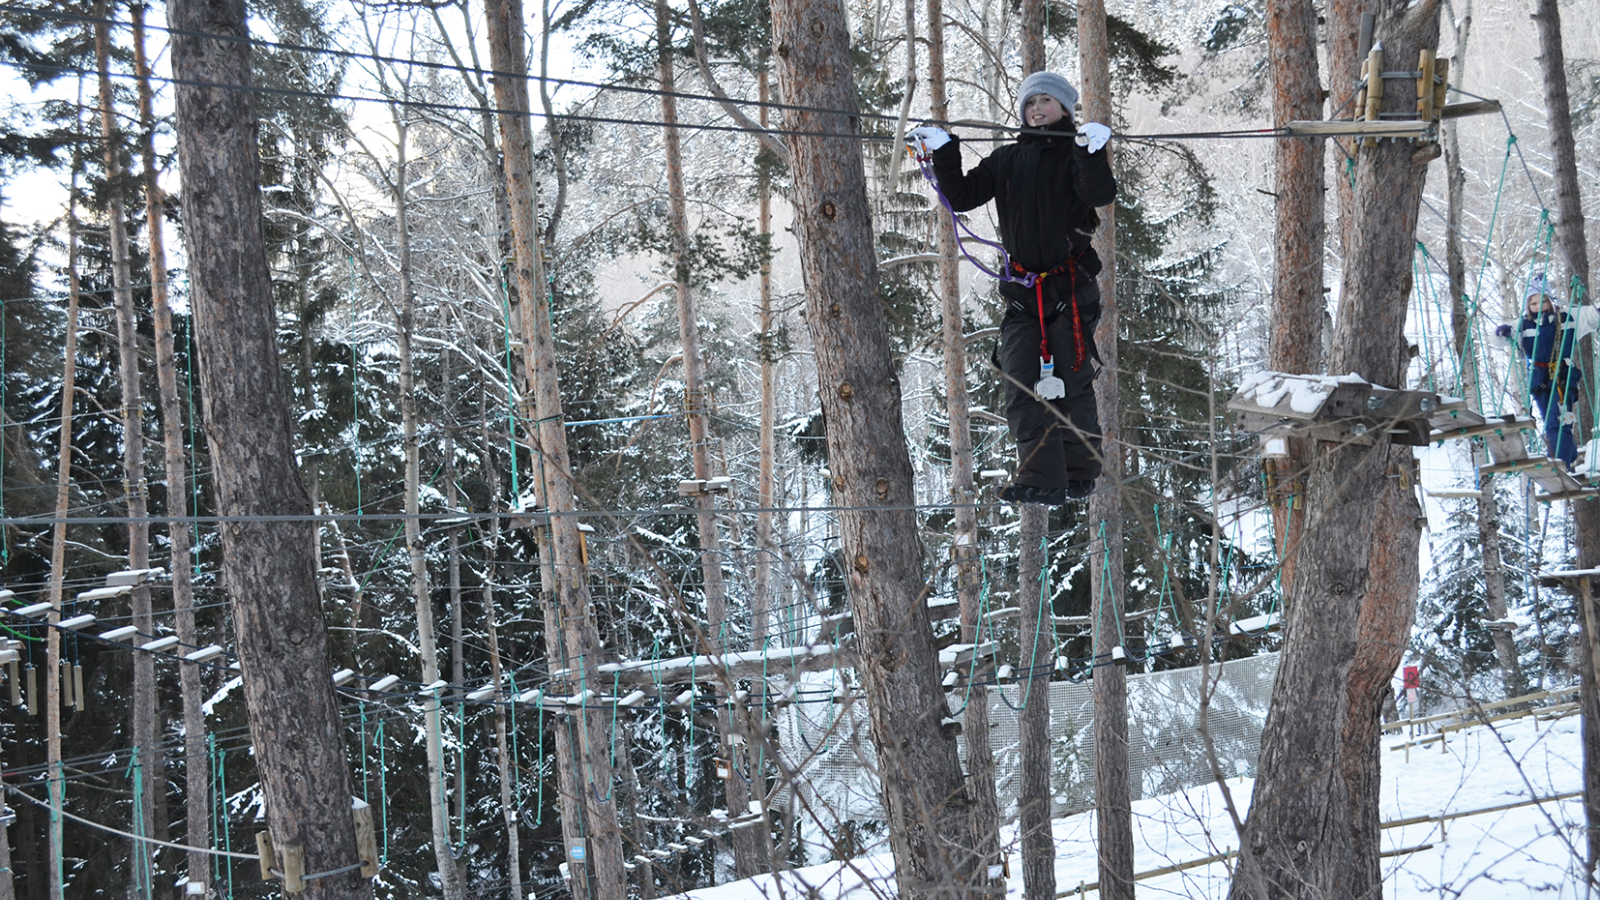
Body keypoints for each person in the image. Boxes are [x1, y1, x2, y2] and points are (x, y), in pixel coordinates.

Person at [908, 71, 1116, 506]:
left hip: (1069, 289)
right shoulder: (1005, 161)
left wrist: (1092, 153)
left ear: (1064, 110)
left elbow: (1099, 193)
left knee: (1073, 384)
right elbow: (962, 196)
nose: (1036, 108)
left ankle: (1079, 474)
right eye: (1030, 103)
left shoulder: (1075, 157)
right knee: (1022, 384)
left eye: (1046, 101)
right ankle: (1042, 479)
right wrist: (945, 153)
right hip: (1022, 294)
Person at [1496, 275, 1585, 467]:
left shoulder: (1566, 317)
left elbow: (1590, 316)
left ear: (1550, 301)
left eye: (1542, 301)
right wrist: (1501, 332)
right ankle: (1568, 456)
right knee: (1552, 420)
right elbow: (1498, 340)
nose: (1538, 306)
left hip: (1562, 376)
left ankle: (1558, 464)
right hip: (1538, 379)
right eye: (1533, 302)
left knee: (1557, 420)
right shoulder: (1523, 324)